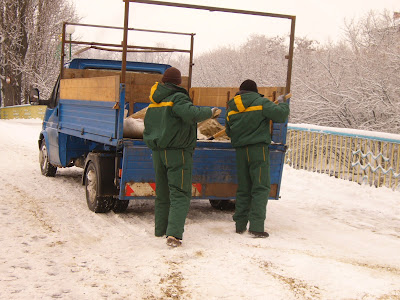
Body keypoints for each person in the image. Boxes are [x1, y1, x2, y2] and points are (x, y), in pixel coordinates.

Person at [143, 67, 219, 247]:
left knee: (162, 193)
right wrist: (210, 112)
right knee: (180, 193)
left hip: (158, 152)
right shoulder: (177, 97)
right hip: (177, 153)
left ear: (163, 81)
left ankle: (160, 230)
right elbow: (191, 114)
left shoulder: (155, 101)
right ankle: (174, 235)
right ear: (178, 82)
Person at [225, 79, 290, 238]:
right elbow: (281, 115)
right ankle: (256, 227)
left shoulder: (232, 108)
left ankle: (240, 225)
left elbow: (228, 131)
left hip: (241, 151)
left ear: (240, 92)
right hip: (257, 150)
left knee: (244, 188)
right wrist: (282, 103)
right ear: (255, 91)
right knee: (260, 187)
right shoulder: (262, 103)